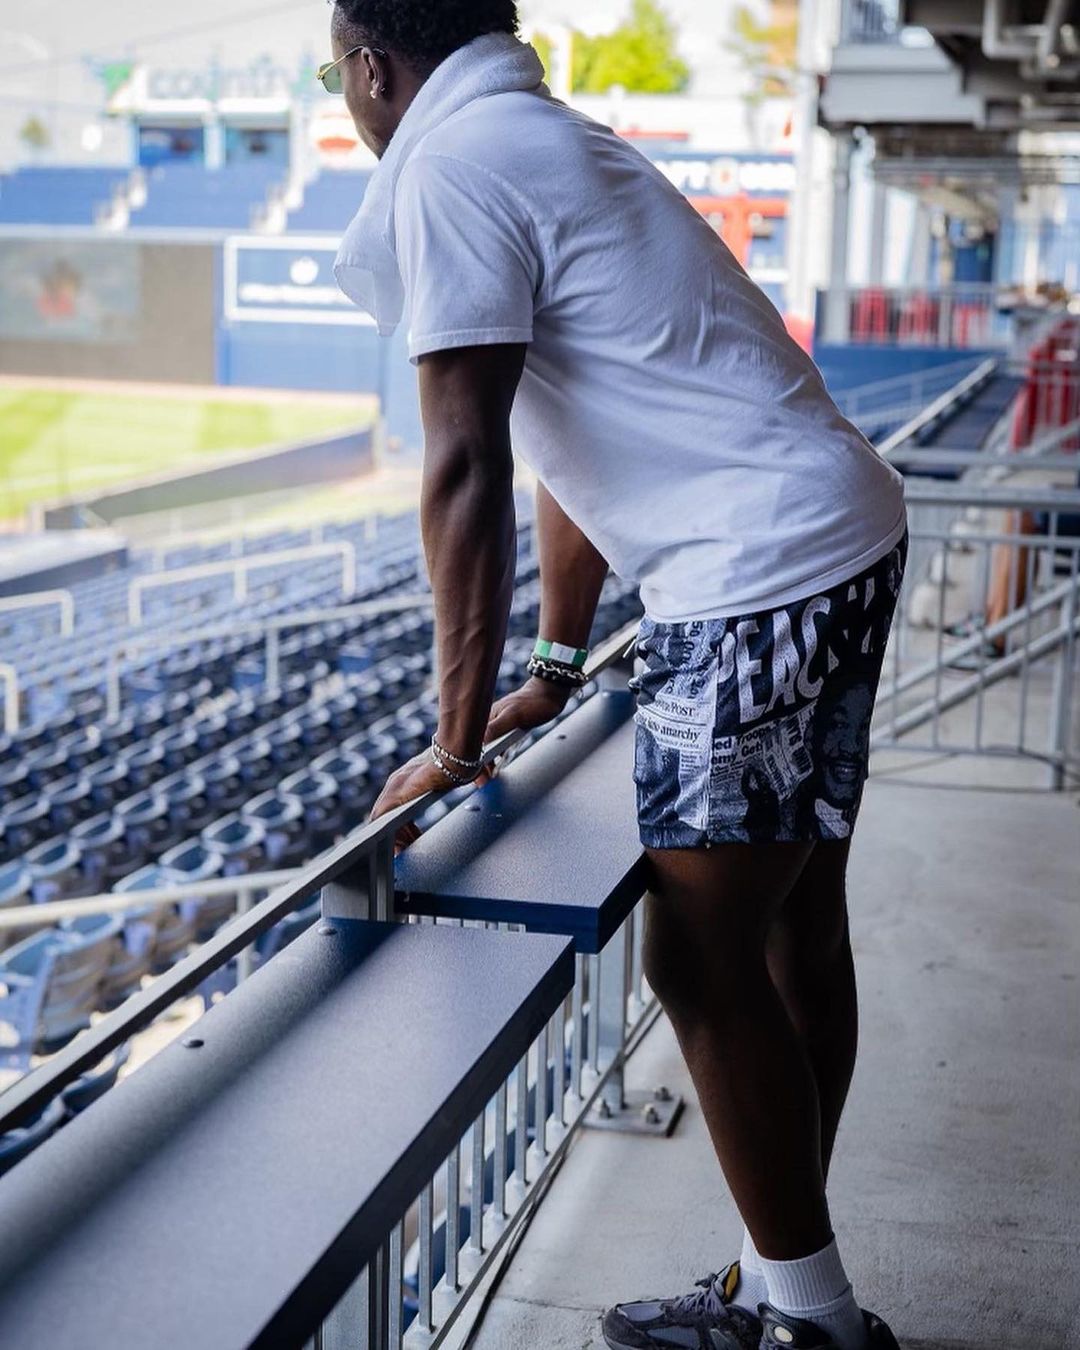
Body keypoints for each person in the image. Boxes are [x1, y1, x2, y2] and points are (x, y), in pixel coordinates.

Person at [325, 4, 909, 1347]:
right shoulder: (544, 134)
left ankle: (813, 1320)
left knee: (697, 956)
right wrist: (550, 662)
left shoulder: (451, 163)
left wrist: (454, 740)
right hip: (839, 541)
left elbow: (465, 464)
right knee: (794, 926)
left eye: (336, 75)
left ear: (371, 67)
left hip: (757, 579)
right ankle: (782, 1285)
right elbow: (568, 443)